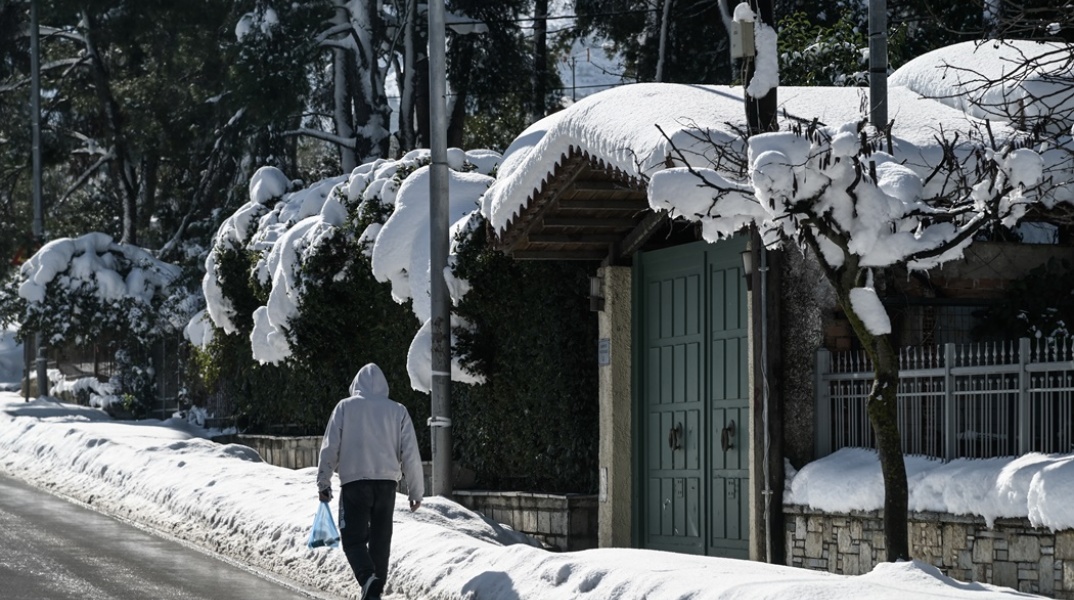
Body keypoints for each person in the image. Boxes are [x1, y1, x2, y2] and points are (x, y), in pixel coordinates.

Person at [316, 363, 424, 600]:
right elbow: (410, 453)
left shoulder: (345, 407)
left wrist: (324, 481)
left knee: (353, 539)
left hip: (354, 483)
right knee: (380, 541)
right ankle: (375, 591)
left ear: (356, 385)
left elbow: (330, 445)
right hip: (387, 485)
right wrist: (416, 490)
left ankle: (367, 579)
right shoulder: (398, 410)